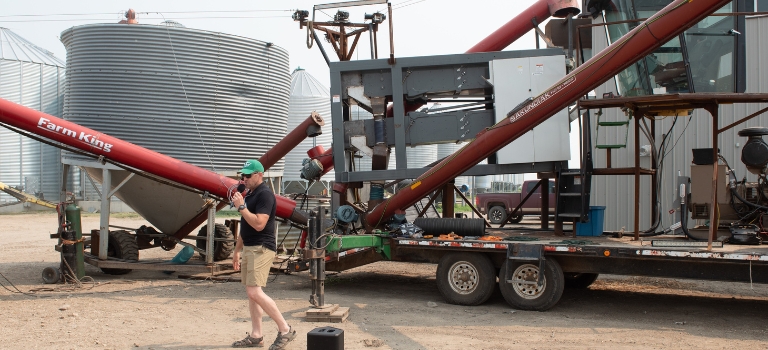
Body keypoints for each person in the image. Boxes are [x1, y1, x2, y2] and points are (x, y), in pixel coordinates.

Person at [231, 159, 296, 349]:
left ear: (259, 174)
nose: (244, 179)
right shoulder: (249, 195)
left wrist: (241, 208)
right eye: (243, 175)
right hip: (250, 247)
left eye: (248, 175)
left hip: (262, 247)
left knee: (254, 291)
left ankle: (285, 329)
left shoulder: (265, 195)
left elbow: (259, 224)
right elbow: (245, 226)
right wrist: (236, 251)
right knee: (252, 293)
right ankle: (256, 335)